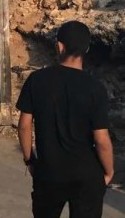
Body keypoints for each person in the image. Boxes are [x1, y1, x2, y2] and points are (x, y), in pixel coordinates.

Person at [17, 21, 113, 218]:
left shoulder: (37, 80)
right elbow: (101, 139)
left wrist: (30, 160)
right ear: (86, 49)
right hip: (86, 175)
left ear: (59, 46)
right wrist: (109, 171)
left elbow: (24, 126)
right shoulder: (96, 88)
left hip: (49, 172)